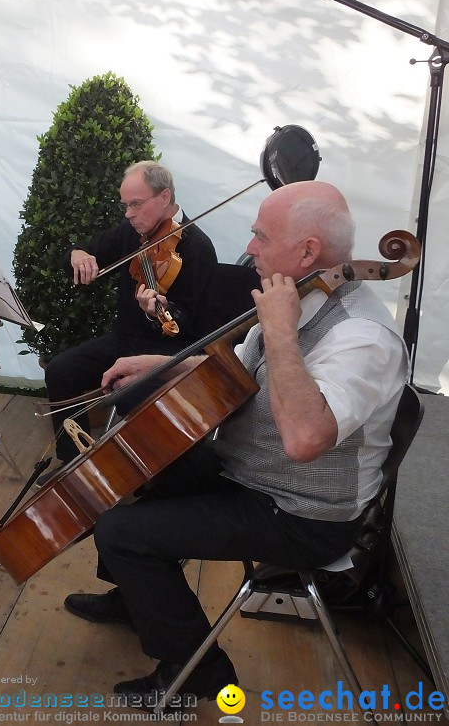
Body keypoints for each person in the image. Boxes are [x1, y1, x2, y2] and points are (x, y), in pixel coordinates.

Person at [63, 180, 408, 709]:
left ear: (308, 251)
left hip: (304, 511)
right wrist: (159, 365)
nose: (249, 248)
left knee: (123, 532)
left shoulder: (360, 337)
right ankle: (138, 597)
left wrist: (282, 335)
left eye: (260, 236)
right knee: (142, 469)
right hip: (251, 472)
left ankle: (197, 674)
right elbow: (234, 373)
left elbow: (305, 439)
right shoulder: (295, 296)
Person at [41, 160, 217, 482]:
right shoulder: (131, 233)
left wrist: (157, 312)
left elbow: (189, 325)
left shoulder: (198, 249)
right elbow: (80, 252)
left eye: (136, 204)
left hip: (167, 353)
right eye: (126, 206)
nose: (128, 214)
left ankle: (146, 478)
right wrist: (77, 255)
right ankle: (71, 464)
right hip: (124, 342)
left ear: (164, 197)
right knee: (60, 370)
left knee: (130, 392)